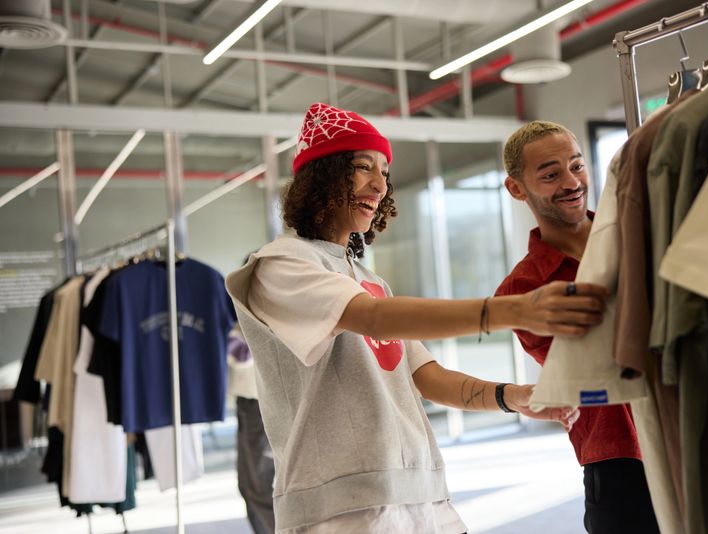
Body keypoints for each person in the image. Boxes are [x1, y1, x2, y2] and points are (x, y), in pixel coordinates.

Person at [225, 102, 607, 533]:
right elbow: (372, 318)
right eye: (363, 167)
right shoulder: (280, 265)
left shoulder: (368, 279)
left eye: (385, 172)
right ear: (323, 176)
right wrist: (515, 309)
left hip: (420, 495)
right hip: (342, 510)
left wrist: (510, 396)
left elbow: (426, 377)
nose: (379, 185)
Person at [494, 120, 659, 534]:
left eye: (577, 166)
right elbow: (594, 370)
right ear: (517, 188)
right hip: (620, 462)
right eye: (550, 174)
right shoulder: (520, 291)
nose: (572, 182)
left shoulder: (639, 232)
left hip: (690, 424)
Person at [228, 323, 276, 534]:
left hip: (259, 397)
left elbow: (244, 353)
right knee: (249, 486)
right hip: (251, 398)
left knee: (259, 486)